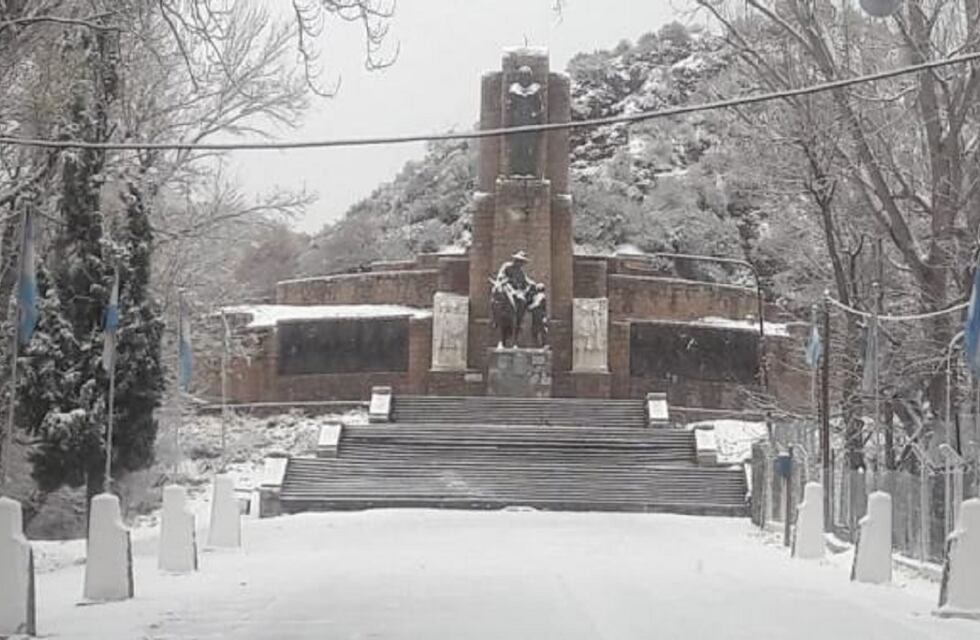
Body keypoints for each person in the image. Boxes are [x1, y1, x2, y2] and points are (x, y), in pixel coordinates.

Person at [528, 281, 548, 348]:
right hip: (536, 315)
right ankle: (537, 344)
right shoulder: (536, 296)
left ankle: (543, 344)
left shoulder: (541, 296)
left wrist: (530, 307)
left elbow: (536, 304)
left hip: (540, 315)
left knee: (541, 329)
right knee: (536, 329)